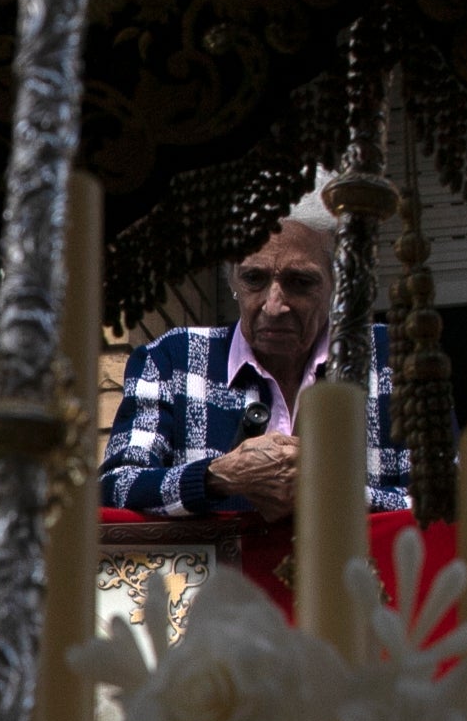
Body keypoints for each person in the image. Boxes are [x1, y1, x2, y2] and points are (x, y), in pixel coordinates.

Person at [98, 194, 412, 519]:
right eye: (254, 279)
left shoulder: (393, 358)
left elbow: (447, 502)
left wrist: (333, 492)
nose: (273, 306)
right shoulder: (171, 360)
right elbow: (116, 487)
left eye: (300, 282)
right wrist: (218, 476)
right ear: (232, 278)